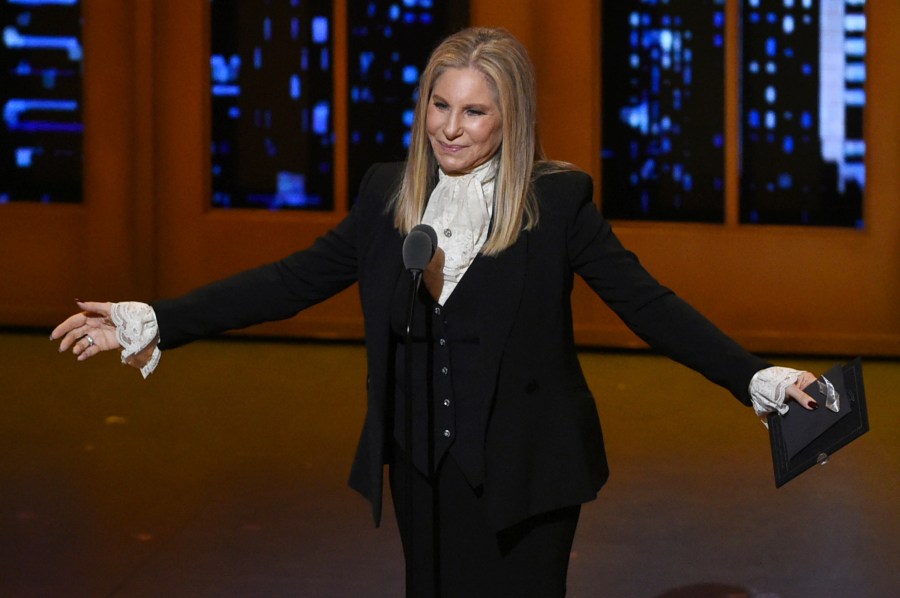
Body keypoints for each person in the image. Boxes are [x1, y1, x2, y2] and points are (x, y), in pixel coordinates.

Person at [51, 27, 818, 598]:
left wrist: (756, 377)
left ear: (509, 118)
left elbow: (650, 307)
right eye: (440, 104)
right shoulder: (389, 195)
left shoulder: (556, 202)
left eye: (475, 112)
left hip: (527, 470)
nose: (451, 127)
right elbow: (285, 282)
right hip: (423, 464)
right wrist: (149, 318)